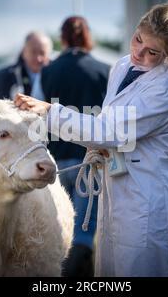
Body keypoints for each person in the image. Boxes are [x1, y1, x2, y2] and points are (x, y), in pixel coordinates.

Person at [14, 2, 168, 276]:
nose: (139, 52)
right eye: (138, 39)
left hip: (149, 196)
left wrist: (49, 111)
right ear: (136, 28)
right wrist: (100, 148)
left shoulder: (167, 88)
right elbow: (108, 126)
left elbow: (111, 131)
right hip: (117, 189)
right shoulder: (122, 66)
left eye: (152, 52)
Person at [41, 16, 110, 277]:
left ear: (63, 37)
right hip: (89, 162)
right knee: (84, 233)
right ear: (87, 36)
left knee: (62, 233)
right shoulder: (104, 70)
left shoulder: (48, 70)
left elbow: (42, 114)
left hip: (57, 161)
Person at [0, 31, 52, 106]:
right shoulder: (2, 78)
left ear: (49, 53)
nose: (38, 58)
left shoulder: (57, 78)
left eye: (42, 53)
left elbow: (57, 104)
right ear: (24, 51)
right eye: (33, 52)